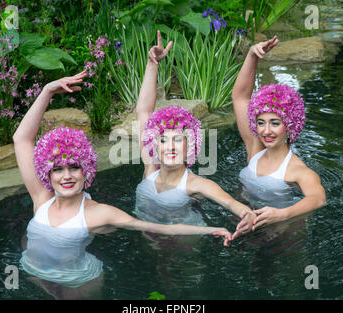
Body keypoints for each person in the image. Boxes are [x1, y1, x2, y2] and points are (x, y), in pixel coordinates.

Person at [12, 70, 233, 298]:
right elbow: (21, 139)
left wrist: (211, 230)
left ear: (86, 170)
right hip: (33, 273)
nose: (66, 176)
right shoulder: (41, 200)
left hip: (76, 282)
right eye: (57, 169)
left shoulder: (98, 214)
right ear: (46, 173)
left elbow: (158, 228)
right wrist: (47, 91)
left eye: (74, 167)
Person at [135, 31, 256, 240]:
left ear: (190, 145)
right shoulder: (149, 169)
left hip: (185, 245)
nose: (170, 146)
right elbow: (144, 111)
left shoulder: (196, 184)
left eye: (178, 139)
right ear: (154, 144)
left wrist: (248, 215)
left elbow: (231, 203)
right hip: (150, 240)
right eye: (163, 140)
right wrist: (152, 64)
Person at [232, 35, 326, 233]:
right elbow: (240, 97)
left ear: (290, 124)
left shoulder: (298, 171)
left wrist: (282, 214)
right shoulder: (254, 148)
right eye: (260, 123)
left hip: (281, 232)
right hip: (244, 223)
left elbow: (318, 199)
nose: (266, 131)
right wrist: (251, 55)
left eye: (275, 123)